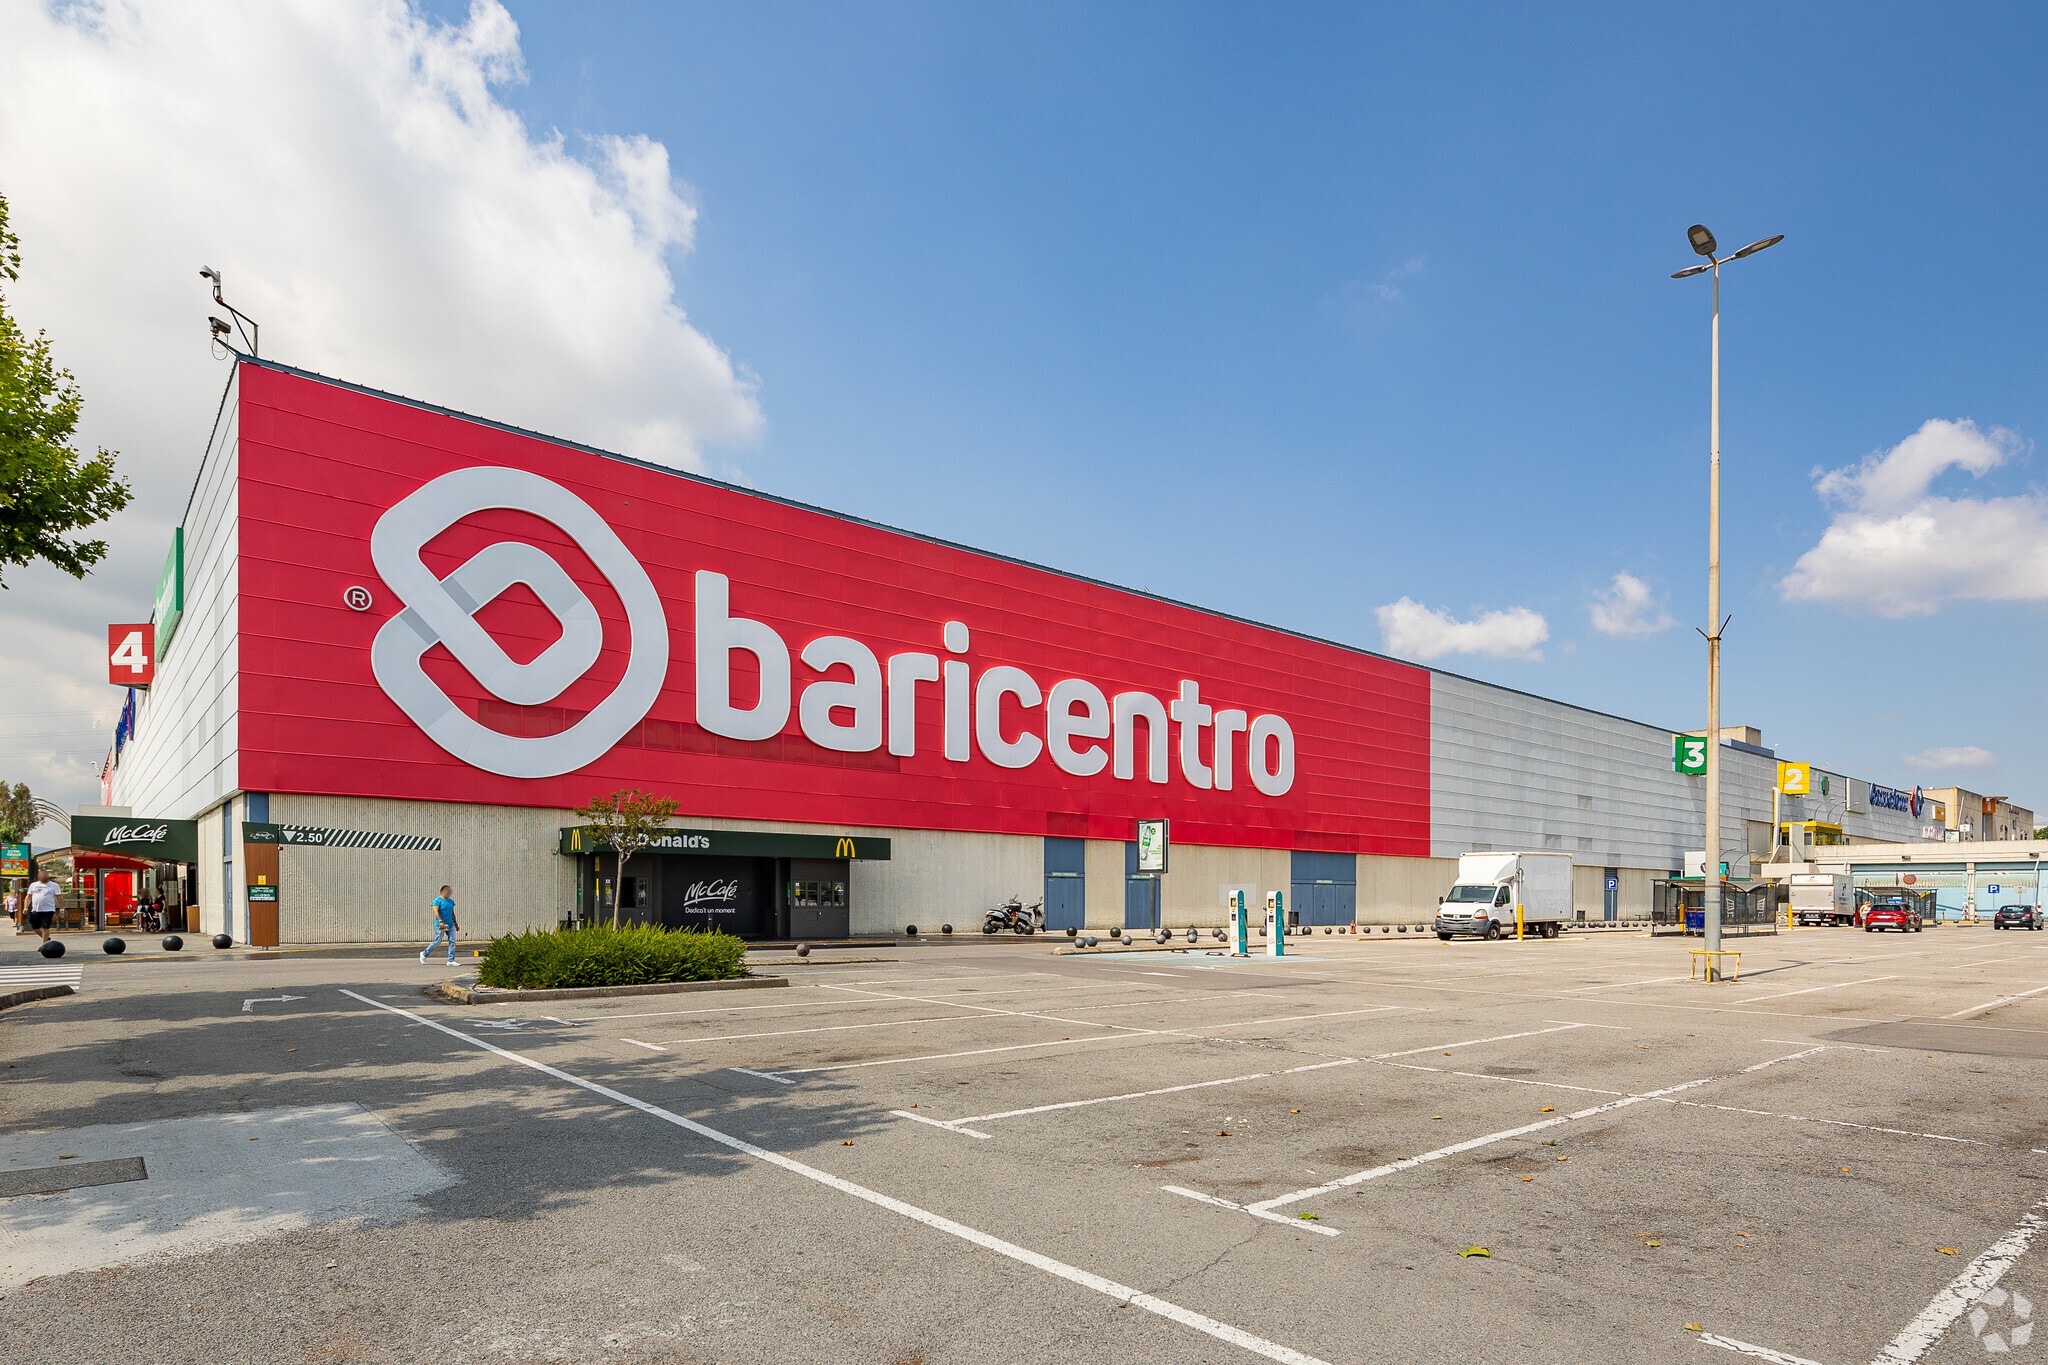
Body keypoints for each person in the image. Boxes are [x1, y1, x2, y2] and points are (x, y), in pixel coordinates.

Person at [421, 885, 459, 966]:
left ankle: (451, 960)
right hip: (441, 924)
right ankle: (424, 954)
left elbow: (452, 913)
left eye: (449, 891)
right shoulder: (437, 901)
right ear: (442, 892)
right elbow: (436, 911)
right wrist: (440, 921)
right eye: (446, 891)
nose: (448, 892)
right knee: (437, 941)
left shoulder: (451, 901)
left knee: (452, 941)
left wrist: (456, 924)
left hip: (450, 924)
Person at [25, 873, 60, 945]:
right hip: (35, 909)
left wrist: (61, 909)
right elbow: (28, 897)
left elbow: (59, 897)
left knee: (45, 927)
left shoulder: (54, 885)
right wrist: (25, 907)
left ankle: (44, 944)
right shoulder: (33, 885)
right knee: (35, 927)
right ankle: (47, 938)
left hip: (48, 909)